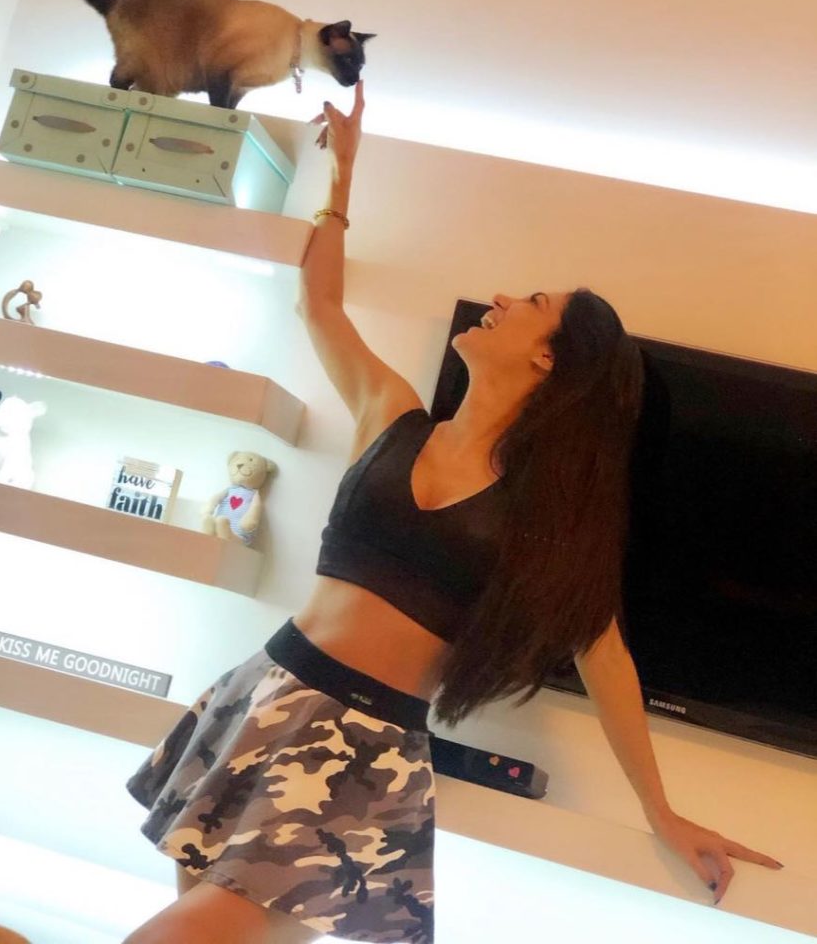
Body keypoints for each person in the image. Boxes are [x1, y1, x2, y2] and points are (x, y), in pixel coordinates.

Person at [123, 82, 782, 944]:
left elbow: (605, 655)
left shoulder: (542, 514)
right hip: (265, 691)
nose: (501, 297)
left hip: (356, 750)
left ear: (549, 362)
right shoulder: (392, 416)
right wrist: (343, 179)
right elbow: (318, 305)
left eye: (531, 305)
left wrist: (659, 811)